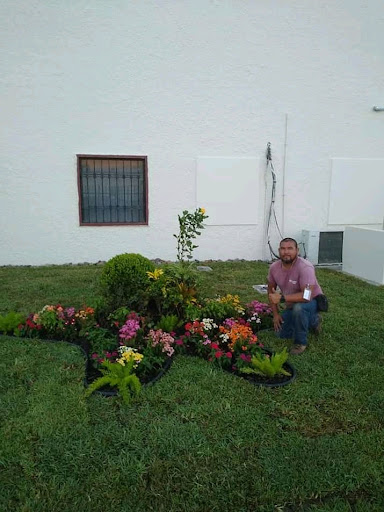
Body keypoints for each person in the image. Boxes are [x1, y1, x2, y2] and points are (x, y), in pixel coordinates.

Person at [267, 237, 323, 355]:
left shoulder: (305, 267)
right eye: (283, 248)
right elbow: (271, 291)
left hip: (312, 301)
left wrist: (282, 298)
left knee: (299, 308)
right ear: (279, 250)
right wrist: (276, 315)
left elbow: (307, 296)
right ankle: (306, 321)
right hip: (292, 302)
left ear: (297, 250)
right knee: (281, 334)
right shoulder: (274, 268)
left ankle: (301, 341)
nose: (286, 252)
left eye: (290, 248)